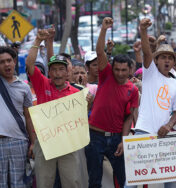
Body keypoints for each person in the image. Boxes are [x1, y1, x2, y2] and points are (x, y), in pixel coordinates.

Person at [125, 18, 176, 187]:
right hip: (143, 132)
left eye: (170, 58)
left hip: (165, 136)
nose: (167, 61)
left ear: (174, 62)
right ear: (156, 60)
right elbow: (146, 51)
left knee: (170, 182)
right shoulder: (150, 74)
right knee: (132, 181)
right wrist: (143, 31)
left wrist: (169, 126)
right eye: (163, 57)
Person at [26, 29, 86, 188]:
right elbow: (29, 64)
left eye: (61, 69)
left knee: (72, 182)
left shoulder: (76, 92)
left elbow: (81, 119)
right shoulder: (42, 84)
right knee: (44, 183)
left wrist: (90, 101)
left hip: (68, 143)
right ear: (49, 72)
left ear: (68, 72)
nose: (58, 73)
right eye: (54, 69)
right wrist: (38, 41)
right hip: (45, 142)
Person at [85, 17, 139, 188]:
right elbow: (100, 52)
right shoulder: (106, 74)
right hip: (95, 136)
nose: (120, 73)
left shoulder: (133, 90)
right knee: (94, 180)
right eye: (117, 69)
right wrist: (103, 29)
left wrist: (123, 140)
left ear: (130, 70)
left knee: (124, 178)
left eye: (124, 70)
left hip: (116, 138)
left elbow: (129, 118)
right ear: (111, 68)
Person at [0, 46, 35, 188]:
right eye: (2, 62)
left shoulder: (24, 87)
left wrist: (32, 143)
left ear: (14, 62)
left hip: (19, 141)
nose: (6, 64)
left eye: (9, 60)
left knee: (18, 184)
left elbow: (28, 117)